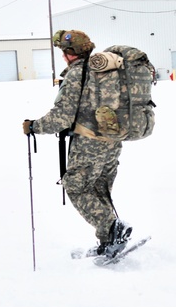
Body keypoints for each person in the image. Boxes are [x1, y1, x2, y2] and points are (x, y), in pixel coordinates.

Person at [23, 30, 134, 258]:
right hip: (112, 140)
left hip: (88, 143)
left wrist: (34, 126)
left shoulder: (77, 75)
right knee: (99, 188)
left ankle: (112, 229)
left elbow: (62, 117)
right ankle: (108, 242)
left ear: (68, 54)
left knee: (75, 186)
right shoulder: (105, 71)